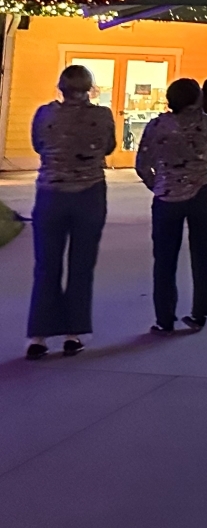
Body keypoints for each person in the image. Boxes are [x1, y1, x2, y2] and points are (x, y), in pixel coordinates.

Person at [25, 65, 115, 359]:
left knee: (46, 265)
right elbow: (108, 147)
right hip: (89, 193)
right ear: (89, 88)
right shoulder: (102, 116)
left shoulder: (44, 115)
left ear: (61, 87)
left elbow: (38, 145)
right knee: (82, 265)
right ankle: (73, 334)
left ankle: (38, 337)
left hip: (50, 193)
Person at [135, 77, 207, 334]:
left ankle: (164, 318)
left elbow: (142, 163)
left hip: (166, 197)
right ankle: (199, 313)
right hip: (202, 192)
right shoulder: (204, 122)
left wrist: (157, 184)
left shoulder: (156, 126)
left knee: (164, 258)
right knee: (203, 254)